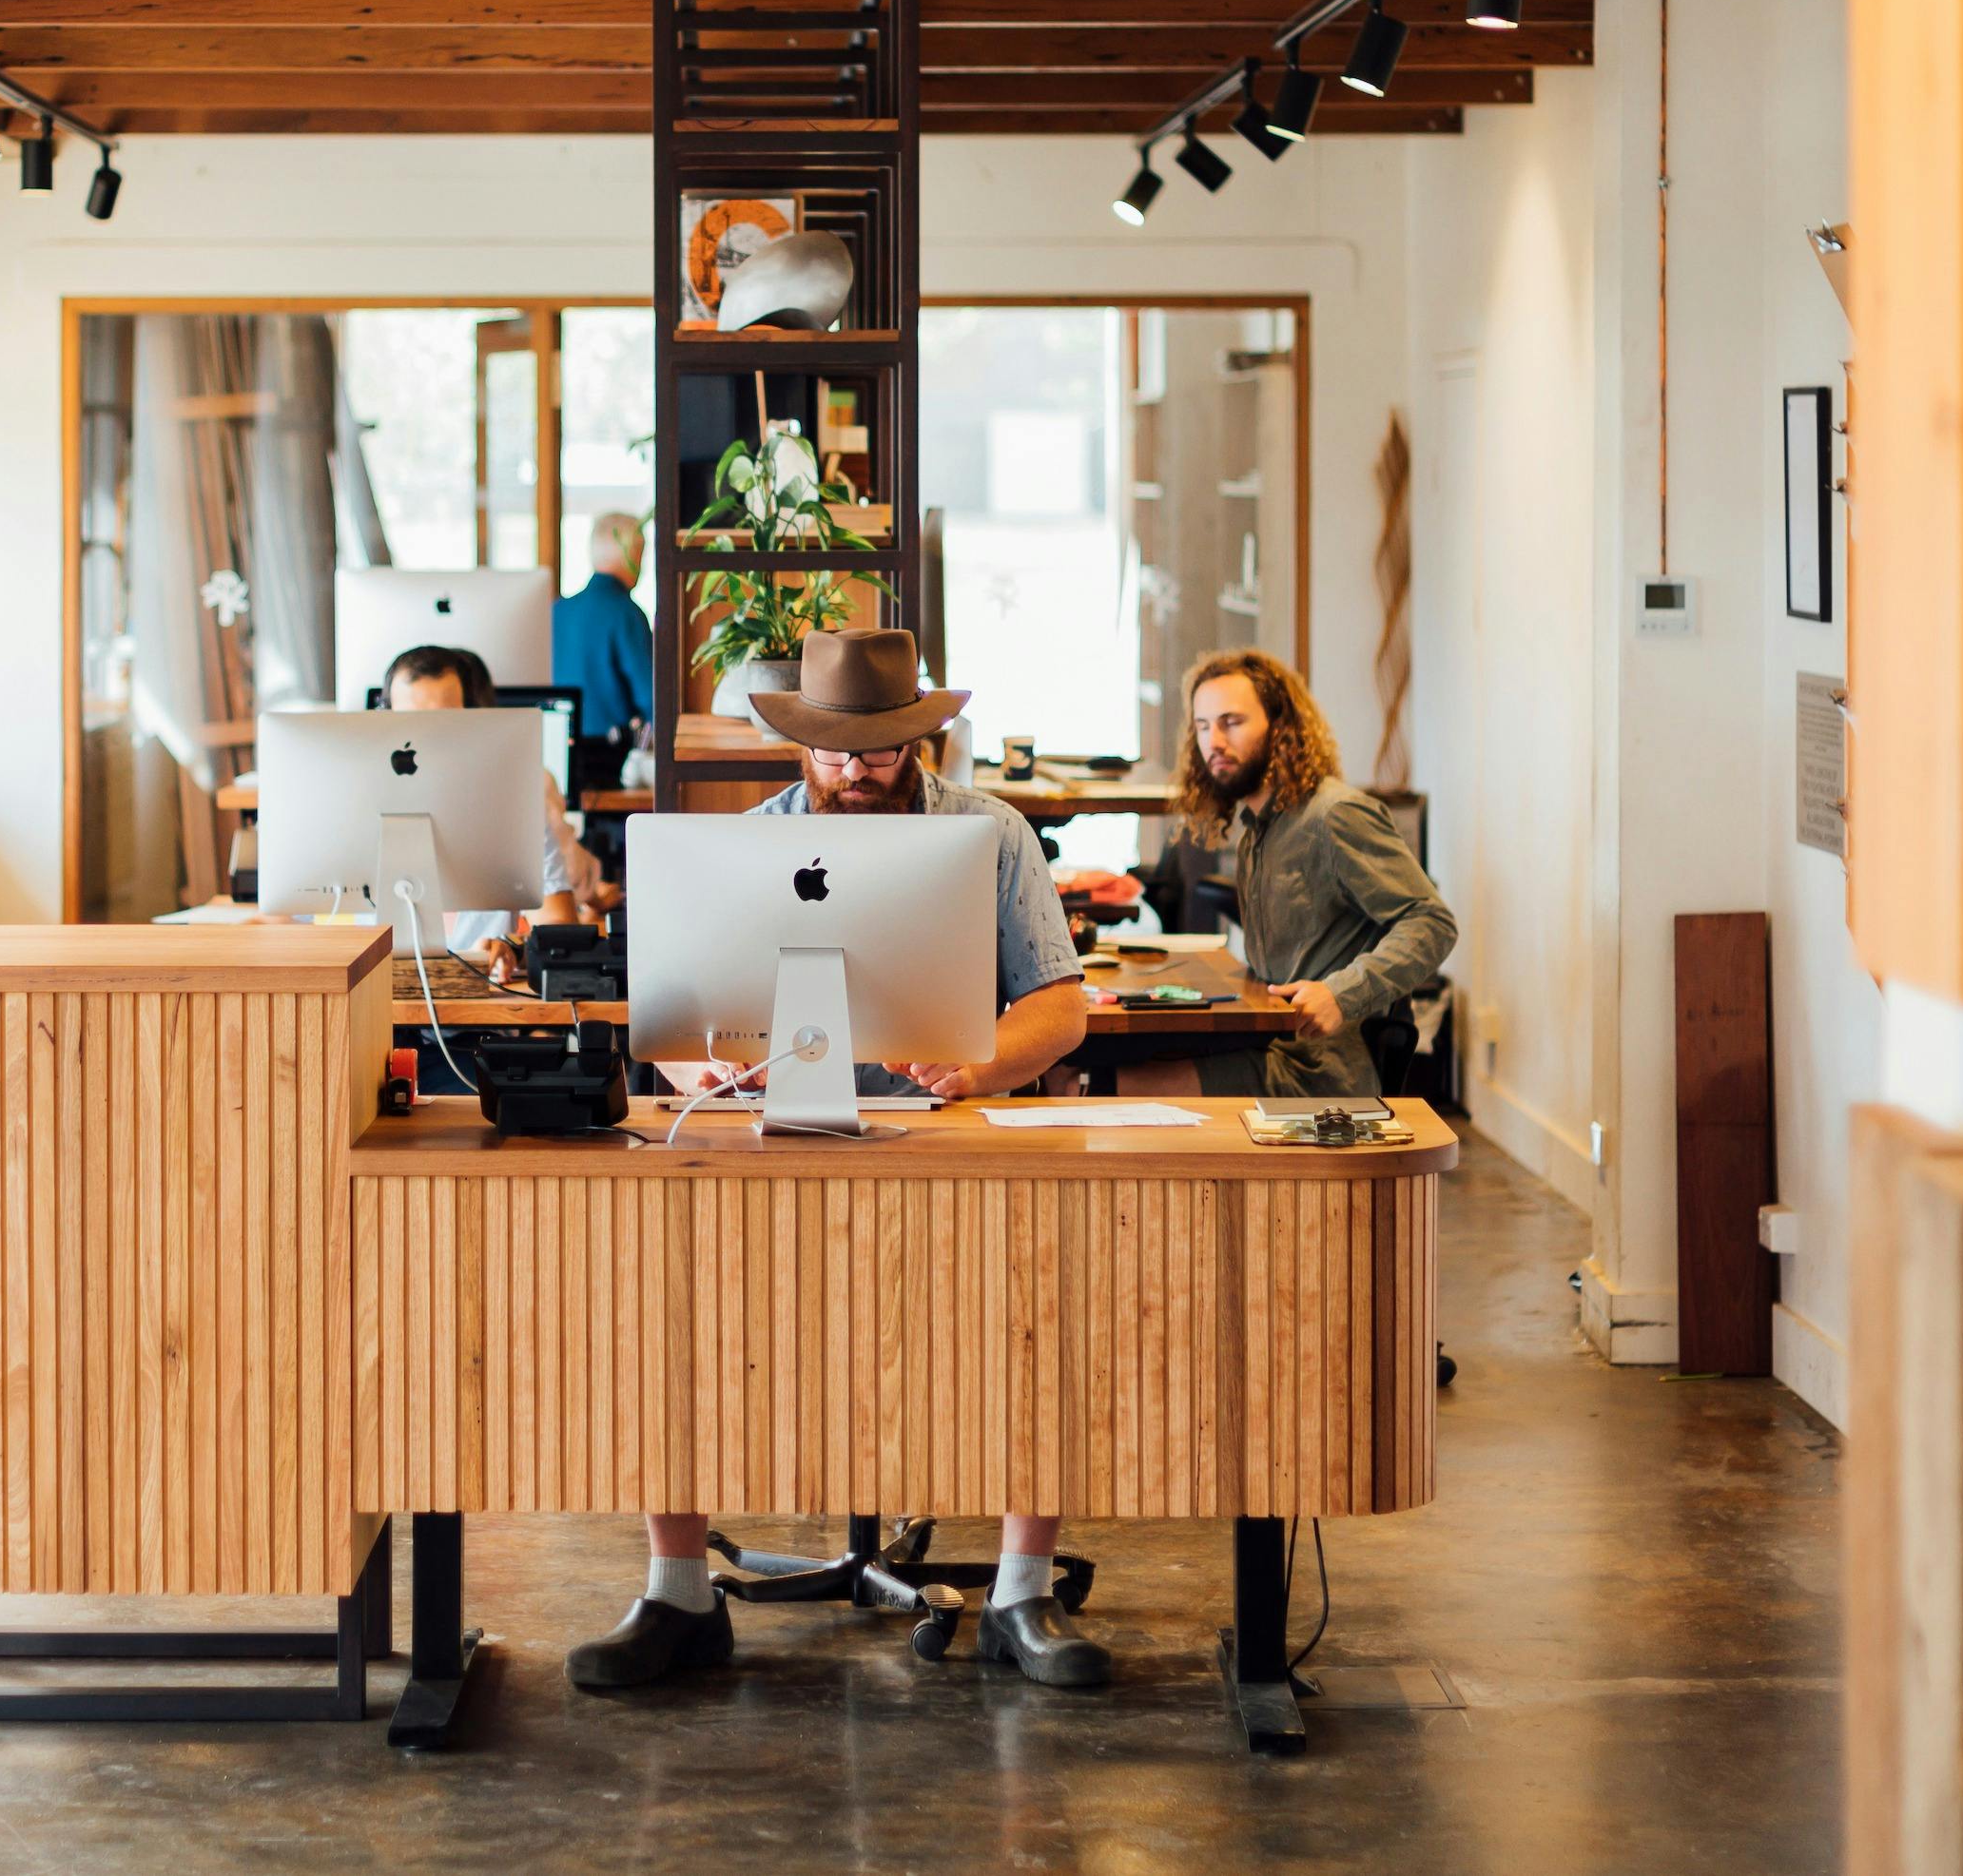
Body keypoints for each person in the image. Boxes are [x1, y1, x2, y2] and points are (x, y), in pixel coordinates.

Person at [566, 628, 1110, 1695]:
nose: (857, 770)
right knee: (672, 1309)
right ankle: (678, 1591)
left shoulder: (989, 834)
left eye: (880, 750)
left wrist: (975, 1066)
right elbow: (671, 1014)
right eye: (836, 752)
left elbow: (1061, 1002)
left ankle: (1020, 1591)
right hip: (776, 1128)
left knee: (1032, 1315)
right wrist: (697, 1072)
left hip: (945, 1126)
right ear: (801, 747)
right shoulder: (745, 844)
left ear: (916, 741)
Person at [1171, 648, 1456, 1097]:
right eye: (1203, 727)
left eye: (1231, 722)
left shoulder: (1335, 815)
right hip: (1269, 1045)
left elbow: (1432, 923)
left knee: (1103, 1084)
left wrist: (1341, 994)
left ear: (1280, 727)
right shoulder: (1255, 835)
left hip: (1318, 1072)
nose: (1214, 742)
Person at [380, 645, 591, 981]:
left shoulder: (514, 806)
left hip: (479, 1011)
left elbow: (560, 929)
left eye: (444, 721)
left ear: (474, 716)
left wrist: (513, 947)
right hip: (371, 1002)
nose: (426, 737)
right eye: (411, 721)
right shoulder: (356, 806)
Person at [551, 511, 658, 745]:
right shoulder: (627, 613)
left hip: (559, 744)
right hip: (612, 754)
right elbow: (650, 698)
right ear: (634, 554)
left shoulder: (558, 610)